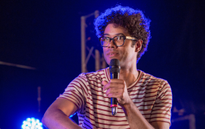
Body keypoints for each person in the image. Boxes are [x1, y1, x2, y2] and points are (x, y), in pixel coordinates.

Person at [42, 5, 172, 129]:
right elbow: (51, 116)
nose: (110, 45)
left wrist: (127, 103)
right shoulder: (87, 82)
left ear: (137, 45)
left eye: (119, 38)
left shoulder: (158, 88)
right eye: (106, 39)